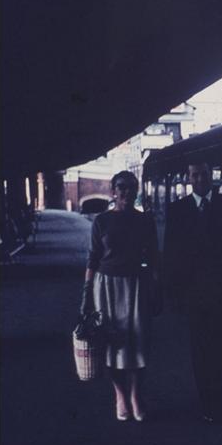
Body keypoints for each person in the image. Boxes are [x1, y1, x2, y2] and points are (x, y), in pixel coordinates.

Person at [163, 162, 222, 422]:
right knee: (200, 348)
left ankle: (212, 382)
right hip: (194, 291)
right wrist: (173, 291)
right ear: (188, 178)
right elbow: (171, 253)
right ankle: (210, 403)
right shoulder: (177, 210)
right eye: (195, 175)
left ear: (211, 176)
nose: (200, 179)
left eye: (204, 174)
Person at [81, 170, 159, 421]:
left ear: (137, 191)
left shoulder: (145, 220)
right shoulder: (101, 221)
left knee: (138, 342)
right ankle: (120, 395)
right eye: (122, 187)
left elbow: (153, 258)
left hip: (137, 285)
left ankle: (135, 394)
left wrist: (157, 288)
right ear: (113, 191)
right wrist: (86, 294)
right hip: (106, 287)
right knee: (111, 344)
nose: (127, 191)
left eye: (131, 187)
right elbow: (93, 258)